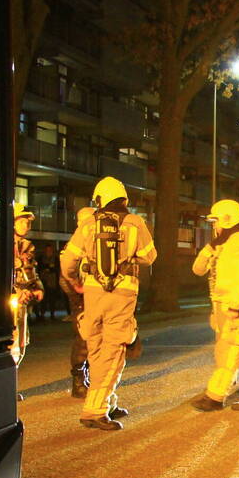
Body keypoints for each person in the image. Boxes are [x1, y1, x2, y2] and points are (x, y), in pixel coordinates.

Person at [60, 177, 157, 431]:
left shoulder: (89, 223)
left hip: (93, 293)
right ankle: (95, 410)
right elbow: (150, 256)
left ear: (100, 199)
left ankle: (105, 403)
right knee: (114, 351)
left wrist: (74, 281)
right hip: (122, 294)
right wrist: (129, 257)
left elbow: (68, 260)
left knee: (96, 349)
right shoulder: (135, 222)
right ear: (123, 198)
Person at [190, 199, 239, 412]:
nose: (213, 226)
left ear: (226, 219)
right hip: (235, 307)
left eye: (215, 221)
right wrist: (209, 248)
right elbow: (198, 269)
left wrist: (234, 306)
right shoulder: (225, 242)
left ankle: (214, 396)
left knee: (229, 351)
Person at [59, 206, 96, 398]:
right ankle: (78, 380)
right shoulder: (73, 247)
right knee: (83, 341)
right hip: (82, 302)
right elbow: (65, 276)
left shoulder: (94, 246)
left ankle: (87, 378)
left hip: (95, 300)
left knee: (95, 341)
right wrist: (77, 298)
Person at [11, 203, 44, 398]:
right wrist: (15, 291)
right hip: (9, 301)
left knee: (21, 342)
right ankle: (6, 386)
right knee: (10, 343)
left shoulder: (27, 246)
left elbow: (31, 272)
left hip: (22, 302)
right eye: (22, 221)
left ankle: (11, 385)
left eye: (27, 222)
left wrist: (37, 287)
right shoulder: (3, 244)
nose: (26, 225)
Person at [35, 244, 62, 321]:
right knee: (43, 300)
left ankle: (52, 315)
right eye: (47, 250)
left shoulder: (55, 259)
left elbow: (56, 269)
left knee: (52, 300)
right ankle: (42, 315)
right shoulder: (40, 259)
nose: (49, 252)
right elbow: (39, 268)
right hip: (43, 282)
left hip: (52, 282)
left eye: (50, 250)